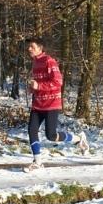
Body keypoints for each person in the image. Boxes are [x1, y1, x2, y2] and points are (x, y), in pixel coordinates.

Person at [24, 38, 88, 172]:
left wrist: (39, 86)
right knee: (32, 130)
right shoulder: (35, 62)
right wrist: (33, 88)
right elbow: (39, 83)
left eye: (32, 47)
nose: (29, 49)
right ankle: (37, 162)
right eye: (29, 47)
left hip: (51, 103)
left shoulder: (49, 61)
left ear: (41, 48)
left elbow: (58, 82)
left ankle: (78, 139)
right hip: (38, 103)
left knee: (51, 135)